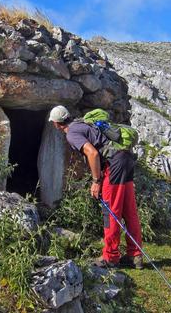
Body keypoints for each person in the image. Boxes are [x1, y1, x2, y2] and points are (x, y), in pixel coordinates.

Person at [49, 105, 143, 269]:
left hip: (114, 165)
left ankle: (111, 257)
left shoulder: (71, 133)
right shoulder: (83, 123)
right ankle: (135, 255)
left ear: (56, 123)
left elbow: (92, 153)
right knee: (129, 211)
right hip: (126, 159)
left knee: (111, 211)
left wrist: (96, 181)